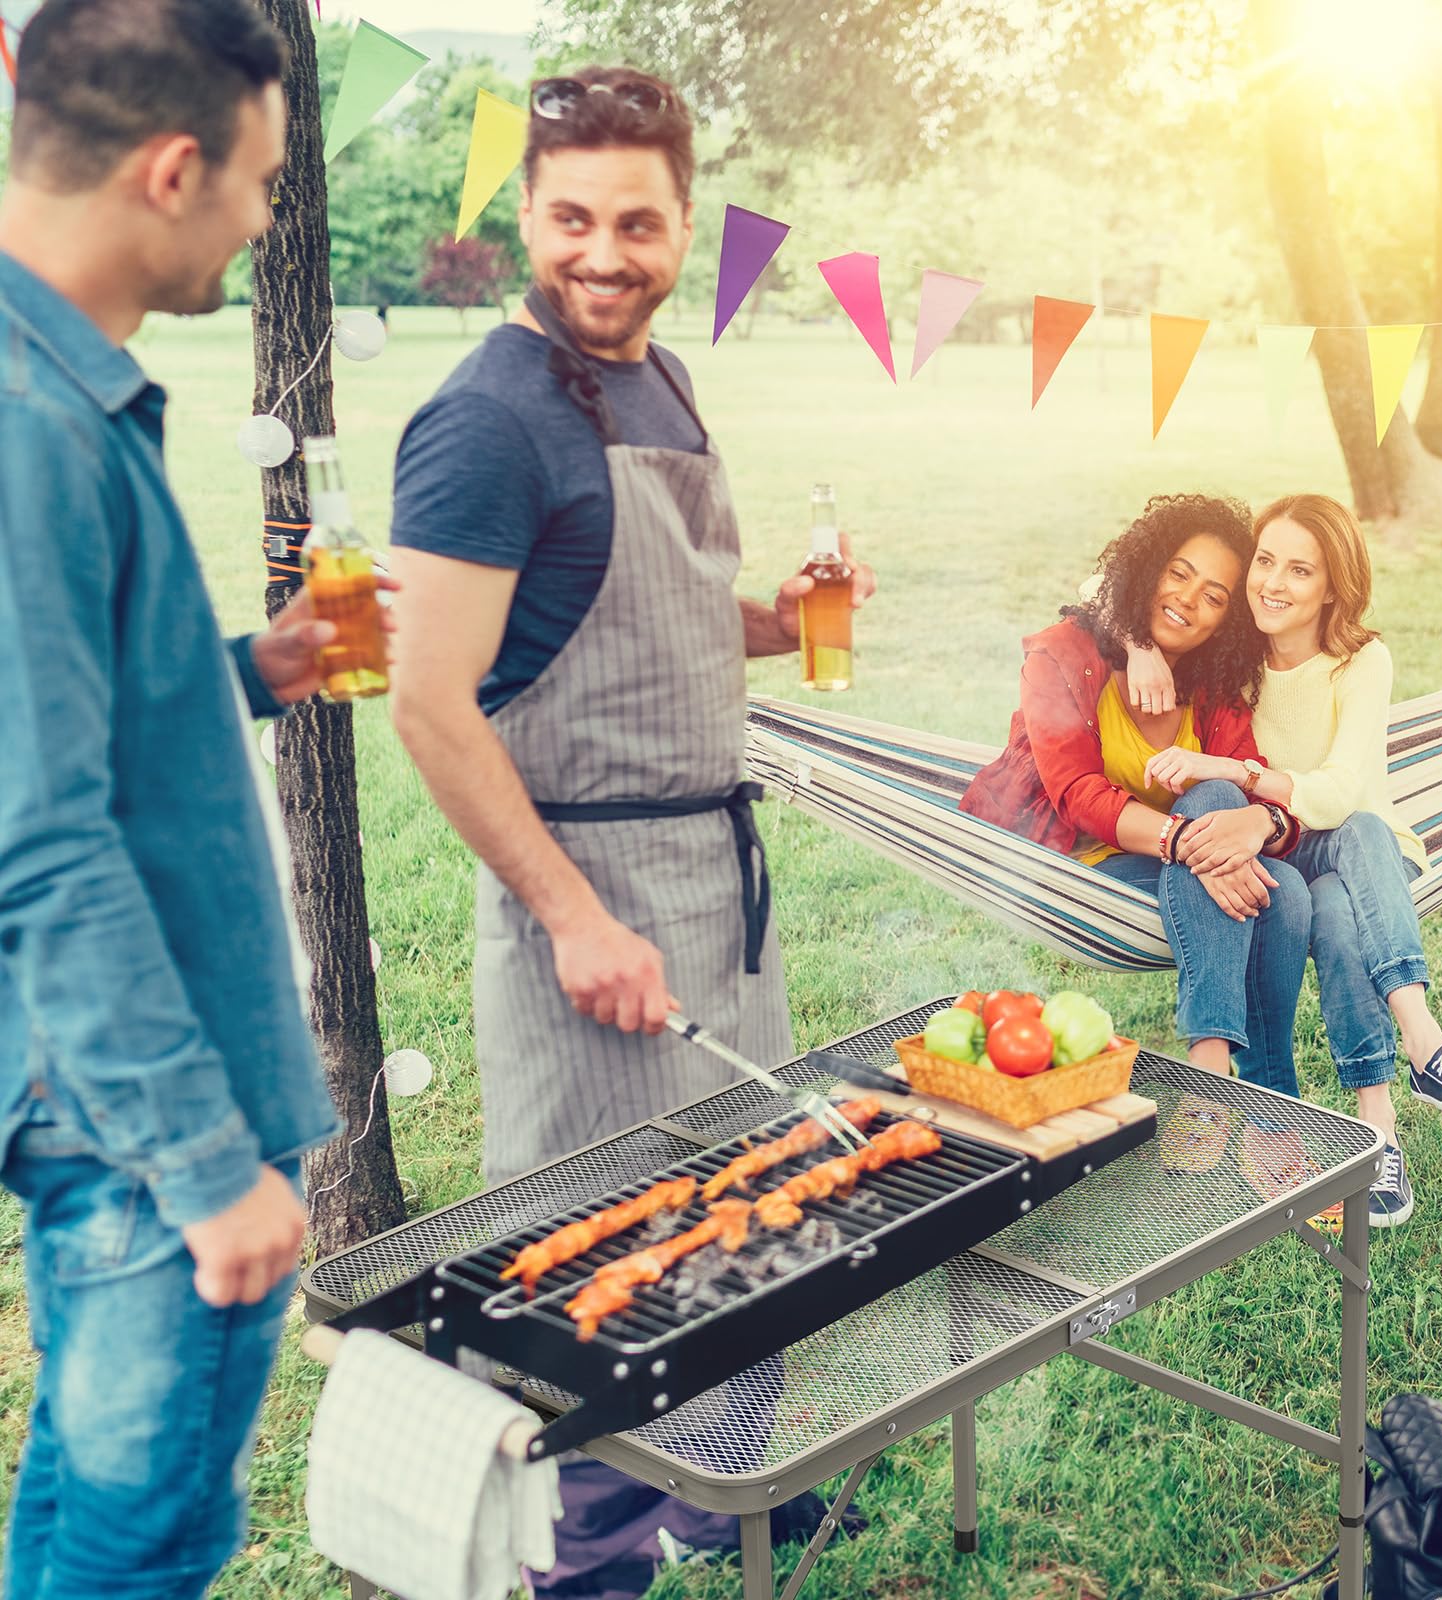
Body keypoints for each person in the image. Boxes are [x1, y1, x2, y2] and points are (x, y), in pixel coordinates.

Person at [386, 64, 873, 1598]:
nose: (606, 253)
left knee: (743, 1195)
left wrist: (782, 627)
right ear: (528, 215)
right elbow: (429, 703)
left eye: (640, 222)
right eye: (574, 218)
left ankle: (738, 1493)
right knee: (604, 1256)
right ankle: (588, 1564)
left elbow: (642, 594)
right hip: (587, 898)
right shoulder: (481, 421)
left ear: (683, 226)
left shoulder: (659, 376)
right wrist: (572, 916)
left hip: (713, 876)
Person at [0, 3, 342, 1596]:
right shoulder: (26, 425)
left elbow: (73, 728)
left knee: (87, 1506)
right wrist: (209, 1165)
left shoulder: (57, 388)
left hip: (135, 1104)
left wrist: (254, 667)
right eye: (263, 183)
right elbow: (39, 844)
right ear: (173, 168)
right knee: (138, 1551)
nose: (267, 217)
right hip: (148, 1120)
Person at [1133, 492, 1442, 1228]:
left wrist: (1239, 777)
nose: (1272, 582)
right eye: (1265, 561)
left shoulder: (1362, 661)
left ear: (1332, 586)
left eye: (1298, 571)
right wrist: (1136, 643)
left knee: (1358, 851)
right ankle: (1413, 1073)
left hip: (1360, 853)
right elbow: (1100, 591)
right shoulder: (1236, 651)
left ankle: (1387, 1107)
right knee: (1323, 896)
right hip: (1286, 853)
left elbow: (1335, 798)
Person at [959, 494, 1313, 1188]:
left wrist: (1237, 829)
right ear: (1148, 568)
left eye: (1215, 596)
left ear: (1229, 617)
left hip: (1183, 869)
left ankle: (1227, 1091)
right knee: (1273, 878)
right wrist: (1186, 840)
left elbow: (1261, 787)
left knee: (1249, 836)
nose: (1189, 601)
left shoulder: (1214, 684)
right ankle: (1266, 1102)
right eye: (1177, 573)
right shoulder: (1060, 658)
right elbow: (1076, 794)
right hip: (1081, 869)